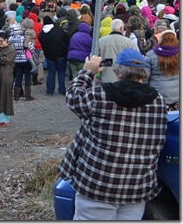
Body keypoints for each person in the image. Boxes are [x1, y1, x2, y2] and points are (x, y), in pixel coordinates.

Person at [58, 51, 167, 220]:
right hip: (137, 185)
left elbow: (72, 97)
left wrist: (88, 71)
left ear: (118, 71)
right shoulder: (158, 101)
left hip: (98, 183)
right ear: (145, 74)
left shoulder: (100, 94)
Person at [94, 18, 138, 83]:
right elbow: (136, 59)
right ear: (121, 28)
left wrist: (107, 63)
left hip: (106, 79)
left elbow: (94, 59)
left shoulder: (101, 41)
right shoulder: (129, 42)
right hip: (123, 80)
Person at [145, 31, 179, 110]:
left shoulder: (151, 54)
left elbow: (144, 76)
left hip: (157, 96)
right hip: (177, 96)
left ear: (160, 40)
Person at [39, 16, 70, 95]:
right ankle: (62, 90)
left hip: (49, 55)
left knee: (51, 72)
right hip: (61, 54)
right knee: (61, 72)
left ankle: (50, 90)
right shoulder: (58, 30)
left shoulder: (41, 34)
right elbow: (67, 38)